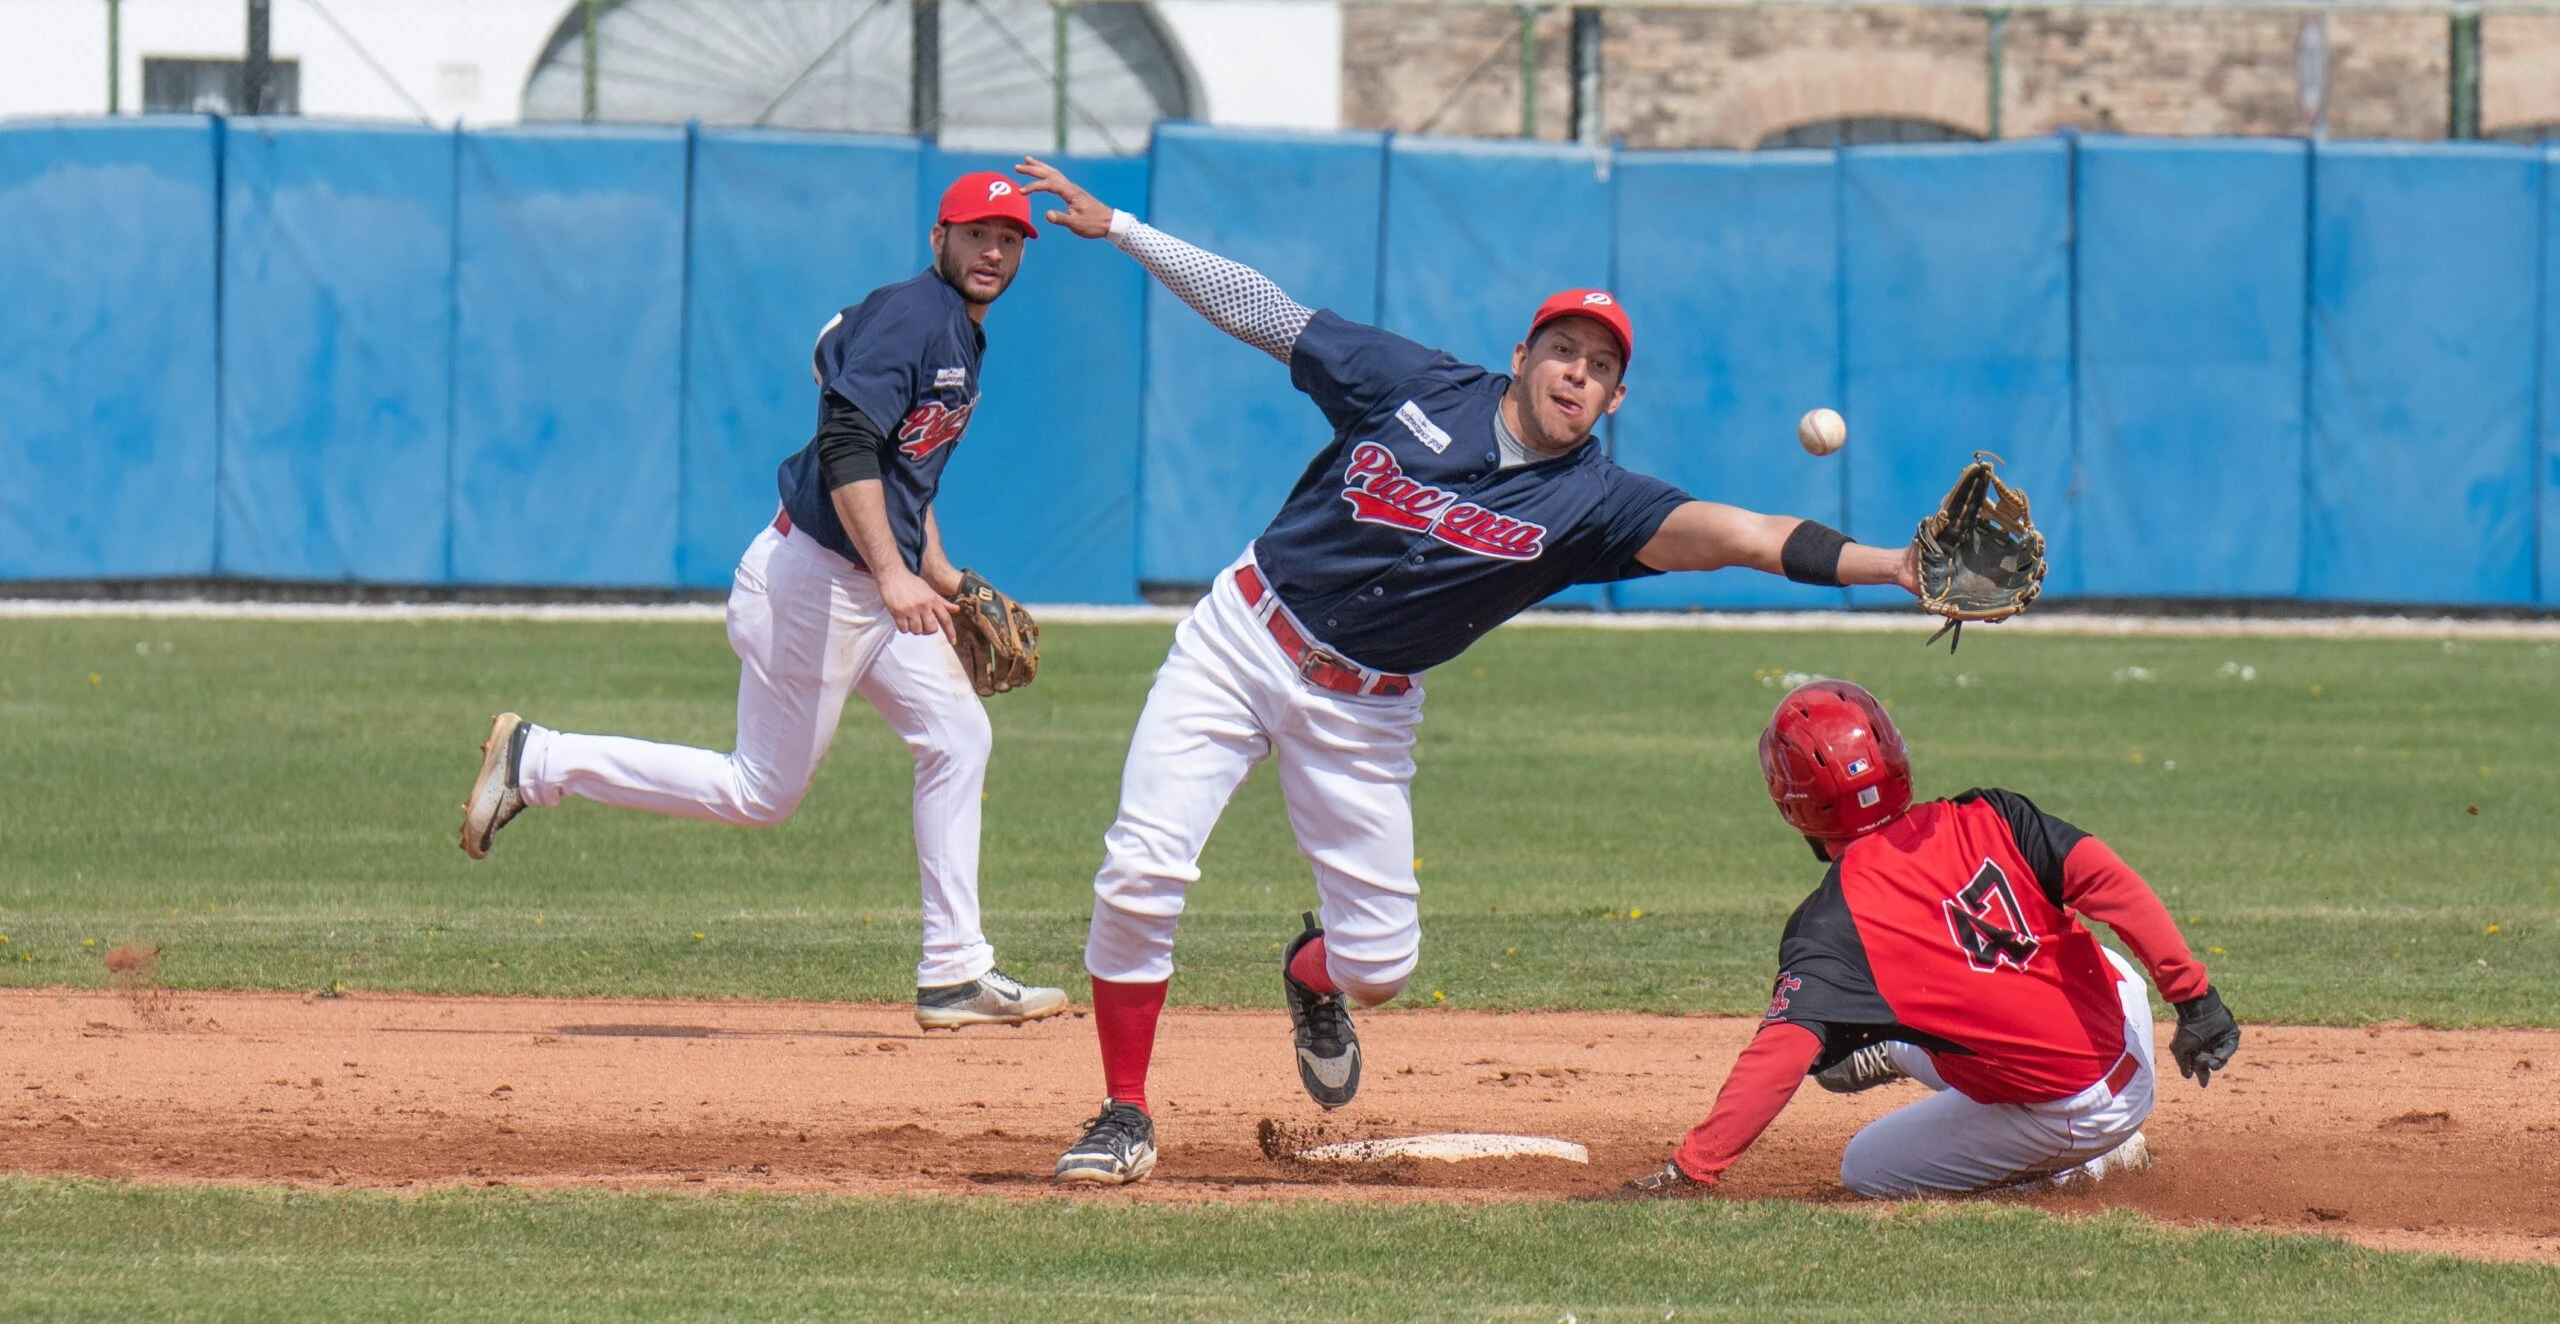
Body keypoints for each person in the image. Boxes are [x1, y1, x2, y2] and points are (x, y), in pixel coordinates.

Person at [1014, 158, 1926, 1186]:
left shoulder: (1596, 505)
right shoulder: (1415, 384)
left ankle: (1312, 974)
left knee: (1380, 966)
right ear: (1521, 356)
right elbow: (1263, 311)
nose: (1576, 372)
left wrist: (1892, 565)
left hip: (1362, 712)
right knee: (1143, 869)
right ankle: (1125, 1110)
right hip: (1241, 640)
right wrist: (1124, 227)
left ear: (1615, 398)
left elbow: (1743, 535)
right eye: (1562, 350)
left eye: (1598, 366)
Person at [457, 172, 1068, 1033]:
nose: (993, 252)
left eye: (1008, 238)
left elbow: (887, 440)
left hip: (868, 587)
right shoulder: (916, 315)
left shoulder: (953, 329)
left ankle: (955, 971)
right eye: (976, 234)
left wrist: (936, 570)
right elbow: (847, 439)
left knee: (958, 735)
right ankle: (541, 761)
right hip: (815, 584)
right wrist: (894, 574)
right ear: (939, 238)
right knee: (759, 791)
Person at [1608, 680, 2242, 1200]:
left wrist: (1693, 1168)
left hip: (2078, 1109)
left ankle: (2083, 1167)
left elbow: (1780, 1056)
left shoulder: (1830, 926)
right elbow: (2107, 880)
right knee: (2053, 954)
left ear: (1793, 804)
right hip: (2125, 1024)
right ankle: (1896, 1045)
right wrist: (2196, 1000)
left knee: (1866, 1168)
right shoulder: (1990, 814)